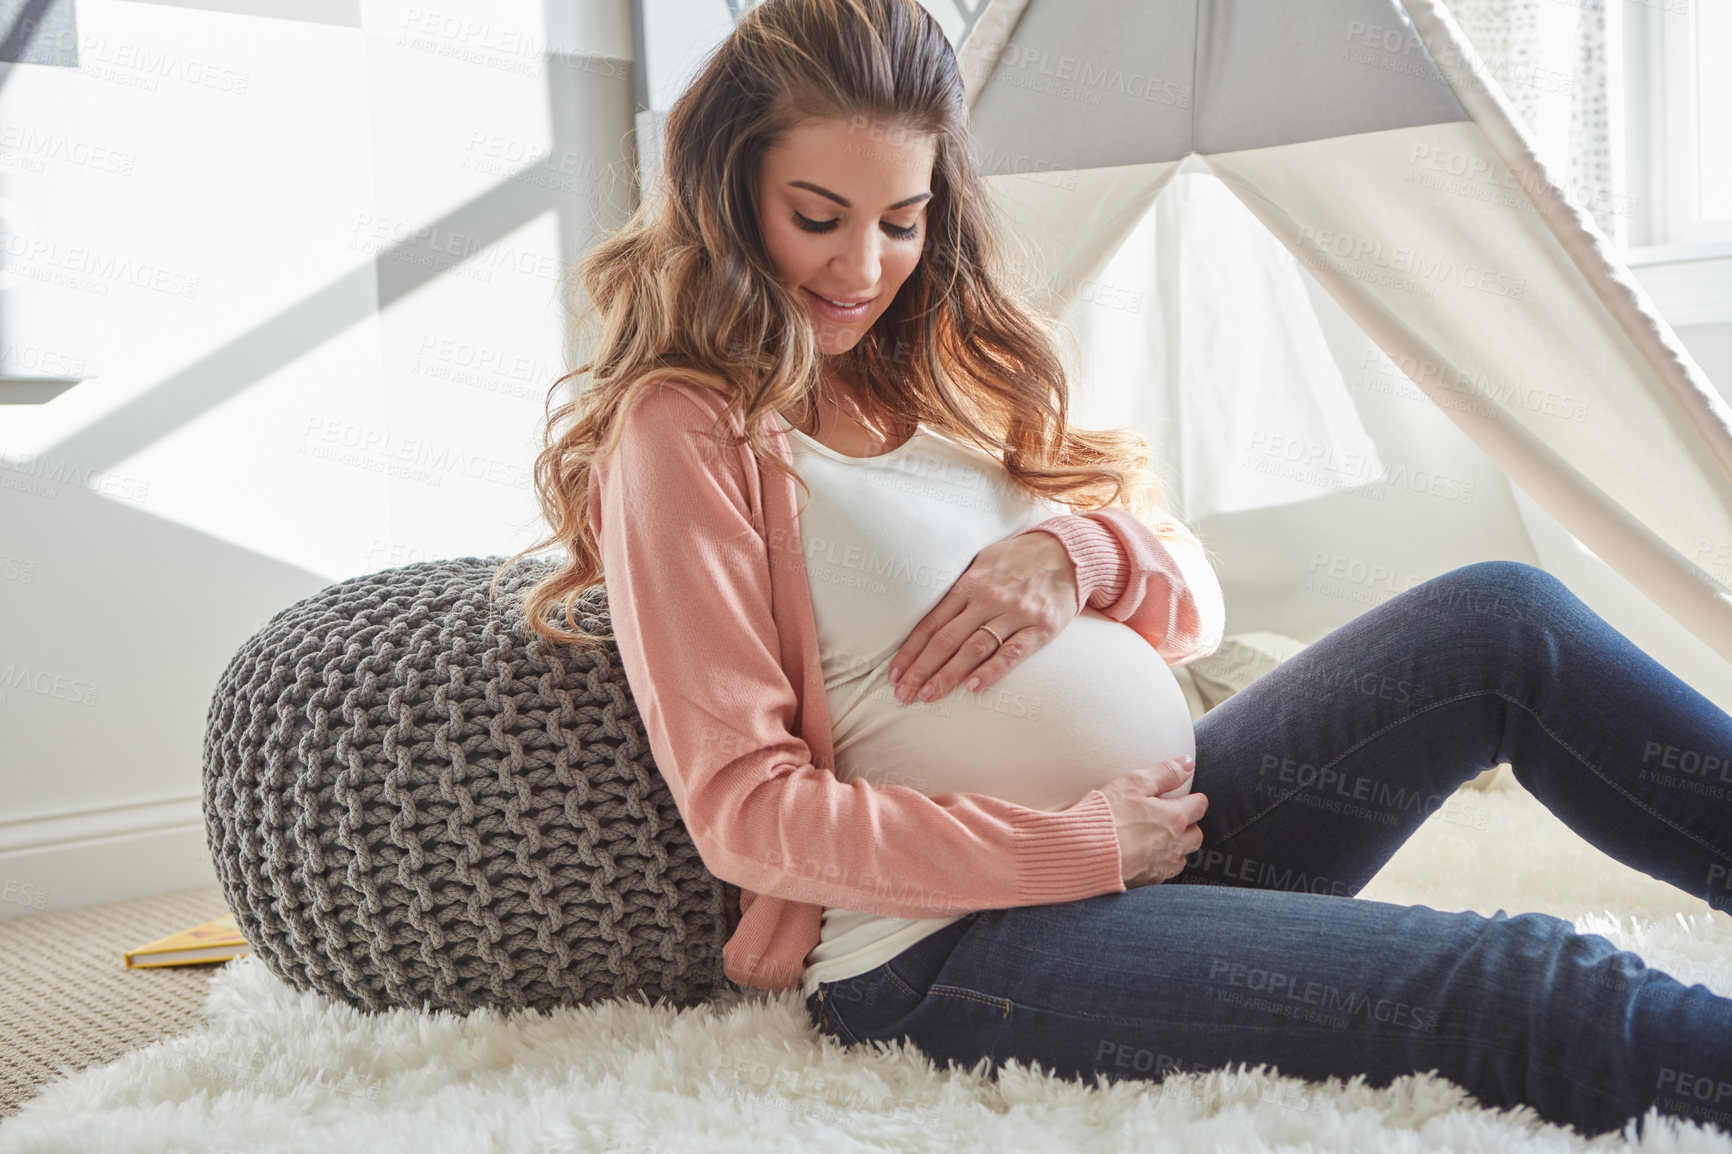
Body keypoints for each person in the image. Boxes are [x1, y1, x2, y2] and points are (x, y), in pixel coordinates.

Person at [497, 0, 1732, 1139]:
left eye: (902, 221)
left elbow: (1190, 604)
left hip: (1174, 835)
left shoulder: (945, 365)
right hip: (954, 947)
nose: (863, 267)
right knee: (1518, 977)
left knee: (1500, 620)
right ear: (727, 193)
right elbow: (747, 814)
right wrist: (1078, 847)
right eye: (816, 217)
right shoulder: (688, 433)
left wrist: (1079, 548)